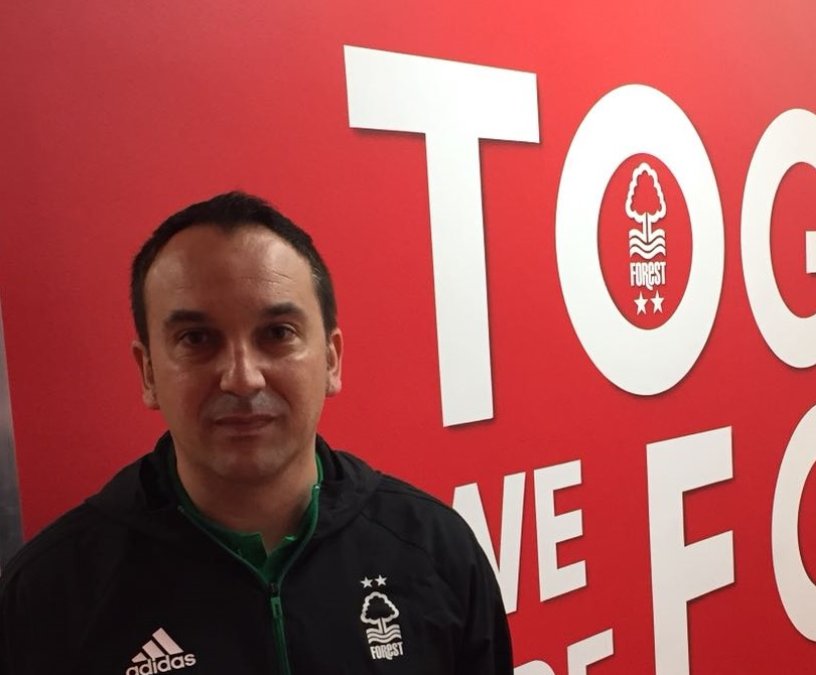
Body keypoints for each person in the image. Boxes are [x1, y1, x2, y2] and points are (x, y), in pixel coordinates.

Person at [0, 192, 512, 674]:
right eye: (196, 339)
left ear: (331, 360)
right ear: (149, 372)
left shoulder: (437, 551)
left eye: (277, 334)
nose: (242, 377)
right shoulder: (47, 596)